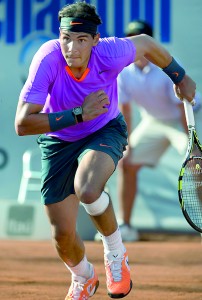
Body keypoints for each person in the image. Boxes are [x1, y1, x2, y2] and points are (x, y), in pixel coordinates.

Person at [14, 2, 196, 299]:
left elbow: (147, 45)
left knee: (87, 188)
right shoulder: (47, 58)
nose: (72, 48)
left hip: (104, 129)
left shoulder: (111, 52)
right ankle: (83, 276)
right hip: (59, 140)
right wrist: (78, 114)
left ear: (95, 40)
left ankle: (115, 255)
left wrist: (180, 76)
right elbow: (22, 124)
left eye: (81, 40)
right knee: (62, 235)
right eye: (66, 38)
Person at [117, 20, 201, 242]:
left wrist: (192, 144)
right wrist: (126, 145)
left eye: (140, 37)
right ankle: (125, 226)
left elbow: (180, 107)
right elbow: (125, 110)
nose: (135, 42)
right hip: (153, 121)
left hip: (184, 116)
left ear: (150, 42)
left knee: (197, 165)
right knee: (126, 163)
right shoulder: (124, 72)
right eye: (131, 37)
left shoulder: (167, 65)